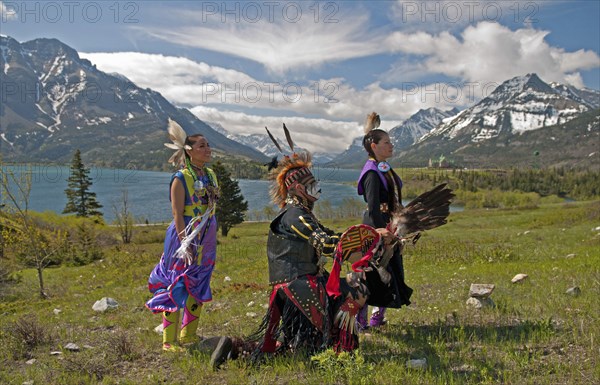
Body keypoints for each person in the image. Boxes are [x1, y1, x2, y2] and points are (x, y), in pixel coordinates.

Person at [249, 128, 375, 359]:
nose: (316, 187)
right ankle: (339, 346)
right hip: (297, 282)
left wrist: (368, 236)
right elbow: (325, 243)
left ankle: (337, 345)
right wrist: (354, 248)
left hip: (307, 278)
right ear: (298, 188)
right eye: (311, 183)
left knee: (356, 291)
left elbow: (329, 234)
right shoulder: (294, 215)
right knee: (354, 293)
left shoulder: (301, 212)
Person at [145, 118, 221, 353]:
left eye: (208, 145)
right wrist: (183, 241)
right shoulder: (180, 178)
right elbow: (178, 213)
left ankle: (189, 335)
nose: (208, 149)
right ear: (188, 151)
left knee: (199, 280)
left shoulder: (210, 175)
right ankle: (169, 340)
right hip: (184, 234)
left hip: (206, 234)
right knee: (176, 281)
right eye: (202, 146)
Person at [356, 112, 413, 330]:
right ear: (374, 145)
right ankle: (361, 322)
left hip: (388, 225)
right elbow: (372, 206)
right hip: (376, 227)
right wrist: (382, 231)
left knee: (389, 272)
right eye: (387, 142)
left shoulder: (383, 168)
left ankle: (377, 318)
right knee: (372, 273)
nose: (391, 146)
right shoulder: (371, 173)